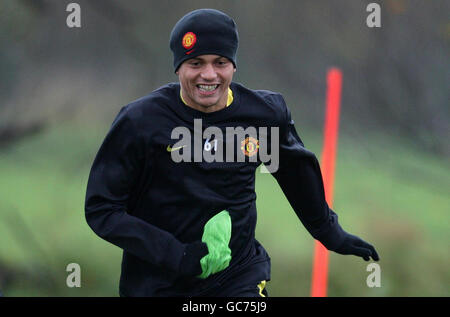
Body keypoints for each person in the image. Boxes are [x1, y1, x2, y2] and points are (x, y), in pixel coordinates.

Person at [85, 8, 379, 297]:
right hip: (157, 285)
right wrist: (176, 254)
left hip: (239, 277)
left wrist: (329, 232)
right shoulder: (140, 122)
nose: (209, 74)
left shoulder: (264, 115)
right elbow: (102, 209)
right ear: (179, 67)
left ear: (234, 66)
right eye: (196, 63)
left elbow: (296, 176)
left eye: (220, 62)